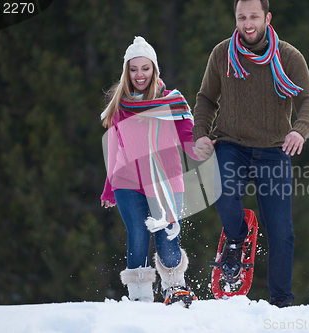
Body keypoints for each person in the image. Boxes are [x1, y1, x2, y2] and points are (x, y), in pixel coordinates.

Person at [192, 0, 309, 307]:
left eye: (253, 17)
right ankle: (236, 239)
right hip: (231, 143)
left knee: (281, 232)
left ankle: (281, 302)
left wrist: (298, 130)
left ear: (267, 18)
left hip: (274, 149)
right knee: (221, 187)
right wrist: (200, 135)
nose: (247, 23)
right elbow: (207, 99)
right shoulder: (222, 54)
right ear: (235, 19)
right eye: (241, 17)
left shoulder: (289, 57)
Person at [100, 36, 199, 307]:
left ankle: (174, 284)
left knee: (167, 242)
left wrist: (204, 148)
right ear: (126, 72)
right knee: (138, 234)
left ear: (154, 69)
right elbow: (114, 148)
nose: (139, 75)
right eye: (133, 69)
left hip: (166, 180)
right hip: (127, 180)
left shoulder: (172, 102)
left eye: (145, 68)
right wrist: (109, 187)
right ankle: (140, 298)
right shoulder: (119, 107)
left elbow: (188, 139)